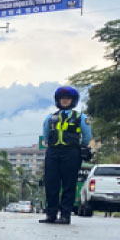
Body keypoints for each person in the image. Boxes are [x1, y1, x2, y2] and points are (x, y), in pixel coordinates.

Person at [39, 86, 92, 225]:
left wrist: (80, 147)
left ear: (73, 101)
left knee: (69, 184)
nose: (65, 100)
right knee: (51, 183)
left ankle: (65, 215)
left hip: (71, 152)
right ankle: (51, 214)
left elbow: (87, 136)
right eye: (62, 98)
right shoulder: (50, 117)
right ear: (58, 100)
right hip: (53, 152)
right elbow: (46, 135)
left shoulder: (80, 117)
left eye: (68, 98)